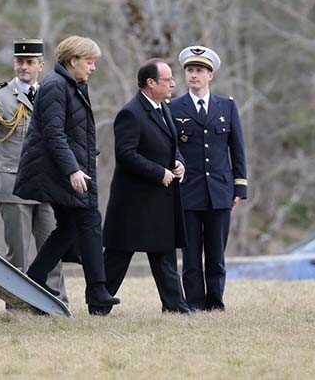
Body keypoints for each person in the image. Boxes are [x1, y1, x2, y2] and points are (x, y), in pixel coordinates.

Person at [13, 36, 120, 314]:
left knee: (70, 226)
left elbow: (76, 131)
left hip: (64, 168)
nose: (92, 68)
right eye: (89, 62)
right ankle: (97, 290)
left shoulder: (71, 84)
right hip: (56, 171)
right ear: (73, 61)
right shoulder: (56, 86)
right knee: (88, 220)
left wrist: (90, 156)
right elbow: (54, 134)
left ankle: (36, 278)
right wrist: (73, 169)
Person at [100, 58, 190, 314]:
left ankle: (175, 306)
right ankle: (99, 305)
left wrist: (178, 162)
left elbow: (170, 146)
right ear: (151, 83)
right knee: (118, 255)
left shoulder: (163, 108)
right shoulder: (131, 113)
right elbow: (125, 154)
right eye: (168, 80)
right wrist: (158, 172)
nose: (173, 84)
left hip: (159, 199)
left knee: (164, 254)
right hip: (133, 202)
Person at [0, 38, 67, 305]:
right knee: (17, 254)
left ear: (41, 65)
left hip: (47, 185)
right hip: (14, 185)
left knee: (51, 249)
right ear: (13, 63)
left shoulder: (52, 93)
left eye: (30, 62)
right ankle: (17, 305)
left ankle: (56, 302)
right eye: (19, 61)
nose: (24, 67)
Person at [169, 46, 247, 311]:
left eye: (200, 71)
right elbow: (170, 148)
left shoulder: (227, 106)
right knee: (191, 254)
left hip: (219, 190)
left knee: (216, 253)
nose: (194, 75)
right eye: (190, 70)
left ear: (210, 75)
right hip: (188, 191)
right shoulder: (173, 107)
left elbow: (237, 149)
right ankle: (194, 302)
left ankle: (215, 302)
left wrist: (239, 186)